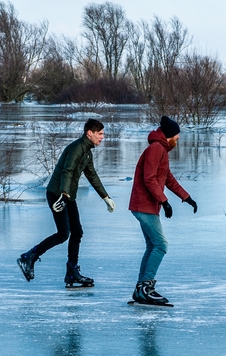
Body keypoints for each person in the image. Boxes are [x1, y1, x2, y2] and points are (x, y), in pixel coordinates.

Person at [18, 118, 116, 288]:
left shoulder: (86, 151)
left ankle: (72, 272)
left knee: (77, 232)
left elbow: (91, 175)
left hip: (67, 195)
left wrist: (105, 197)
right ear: (89, 133)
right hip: (58, 194)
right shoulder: (77, 148)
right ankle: (29, 256)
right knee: (64, 234)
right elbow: (67, 171)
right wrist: (63, 195)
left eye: (103, 134)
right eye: (100, 134)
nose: (102, 137)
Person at [129, 116, 198, 305]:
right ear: (169, 136)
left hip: (147, 205)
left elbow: (168, 178)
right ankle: (145, 288)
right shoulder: (156, 149)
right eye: (177, 135)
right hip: (144, 205)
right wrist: (164, 201)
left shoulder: (162, 150)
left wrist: (186, 197)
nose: (178, 139)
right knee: (160, 245)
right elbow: (149, 178)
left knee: (153, 245)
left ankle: (140, 289)